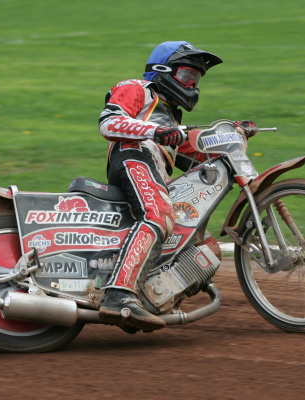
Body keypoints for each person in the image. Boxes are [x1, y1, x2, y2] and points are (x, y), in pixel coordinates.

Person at [97, 41, 256, 331]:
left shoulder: (172, 121)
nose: (192, 84)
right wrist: (156, 131)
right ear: (162, 71)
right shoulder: (137, 88)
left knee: (204, 247)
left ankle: (147, 301)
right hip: (133, 157)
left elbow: (199, 155)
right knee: (158, 215)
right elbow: (109, 122)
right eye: (186, 76)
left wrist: (232, 136)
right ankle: (119, 295)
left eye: (196, 79)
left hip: (154, 171)